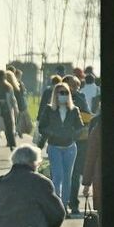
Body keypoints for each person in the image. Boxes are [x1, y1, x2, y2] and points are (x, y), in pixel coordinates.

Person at [37, 81, 86, 217]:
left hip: (70, 147)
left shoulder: (74, 110)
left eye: (65, 93)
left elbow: (80, 127)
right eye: (60, 93)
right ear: (55, 95)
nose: (63, 96)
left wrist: (72, 135)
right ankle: (56, 206)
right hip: (54, 147)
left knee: (67, 178)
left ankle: (64, 207)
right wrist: (52, 133)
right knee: (57, 177)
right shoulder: (49, 109)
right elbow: (42, 127)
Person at [0, 69, 18, 155]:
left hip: (7, 111)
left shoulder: (8, 87)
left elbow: (13, 99)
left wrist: (15, 108)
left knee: (9, 130)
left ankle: (13, 147)